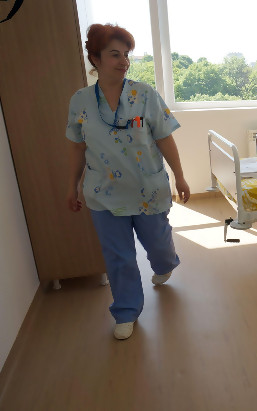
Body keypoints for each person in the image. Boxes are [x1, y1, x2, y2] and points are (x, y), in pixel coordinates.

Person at [65, 24, 190, 340]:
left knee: (159, 247)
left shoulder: (144, 94)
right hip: (103, 194)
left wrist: (180, 175)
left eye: (126, 55)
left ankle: (166, 264)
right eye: (114, 55)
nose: (124, 61)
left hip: (147, 189)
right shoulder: (80, 101)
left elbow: (164, 137)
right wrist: (73, 185)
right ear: (95, 59)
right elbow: (78, 147)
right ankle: (126, 310)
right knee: (118, 257)